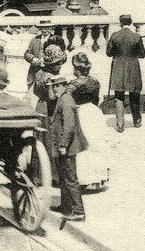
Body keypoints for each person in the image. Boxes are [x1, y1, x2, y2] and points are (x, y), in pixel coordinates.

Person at [47, 74, 87, 222]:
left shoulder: (66, 101)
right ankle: (65, 206)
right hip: (63, 146)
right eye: (53, 86)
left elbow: (69, 126)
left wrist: (63, 145)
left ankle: (79, 212)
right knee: (63, 178)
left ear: (64, 85)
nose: (55, 88)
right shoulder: (62, 99)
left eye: (57, 85)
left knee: (70, 178)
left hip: (67, 147)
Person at [106, 14, 145, 132]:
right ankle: (137, 121)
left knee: (119, 96)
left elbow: (108, 53)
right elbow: (143, 54)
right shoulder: (136, 36)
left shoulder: (114, 36)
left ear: (120, 23)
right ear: (131, 22)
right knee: (135, 95)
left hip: (118, 68)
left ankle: (120, 125)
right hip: (133, 69)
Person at [25, 19, 63, 102]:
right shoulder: (35, 39)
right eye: (43, 28)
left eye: (47, 28)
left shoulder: (56, 40)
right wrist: (32, 58)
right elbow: (27, 53)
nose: (45, 30)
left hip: (50, 72)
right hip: (34, 73)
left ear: (50, 28)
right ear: (40, 29)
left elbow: (62, 57)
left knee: (50, 97)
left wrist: (48, 61)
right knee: (32, 98)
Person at [32, 44, 67, 115]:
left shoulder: (39, 72)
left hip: (40, 105)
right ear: (51, 64)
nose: (60, 67)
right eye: (57, 64)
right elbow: (52, 97)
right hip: (50, 108)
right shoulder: (52, 77)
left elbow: (35, 91)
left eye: (60, 64)